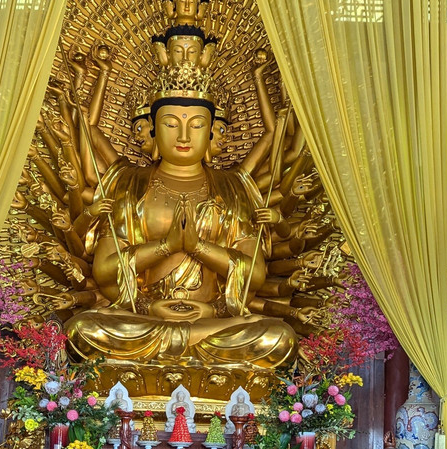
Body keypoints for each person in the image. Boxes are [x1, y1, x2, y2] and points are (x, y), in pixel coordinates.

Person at [64, 61, 297, 368]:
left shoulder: (235, 189)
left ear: (213, 132)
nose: (184, 135)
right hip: (144, 316)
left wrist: (198, 248)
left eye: (197, 125)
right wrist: (166, 247)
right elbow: (105, 272)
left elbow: (254, 275)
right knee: (83, 330)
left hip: (213, 321)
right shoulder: (127, 185)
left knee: (277, 337)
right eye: (171, 124)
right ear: (152, 131)